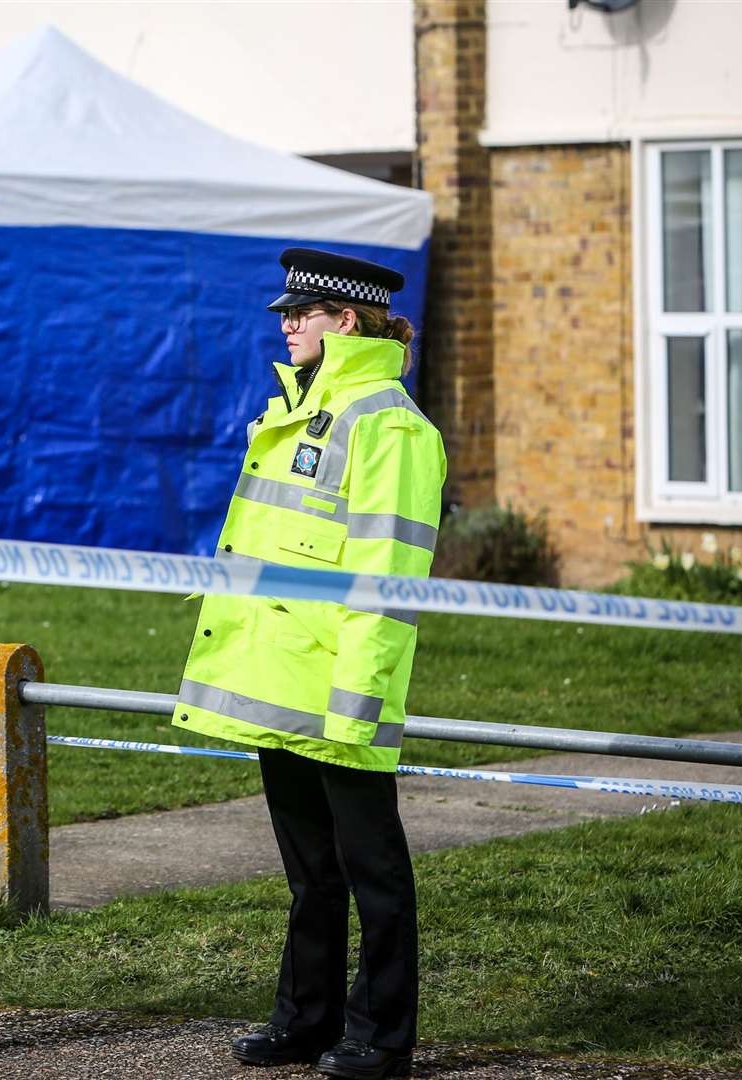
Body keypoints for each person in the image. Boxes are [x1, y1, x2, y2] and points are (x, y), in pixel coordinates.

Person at [174, 248, 446, 1080]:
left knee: (375, 876)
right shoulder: (298, 414)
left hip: (340, 692)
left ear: (351, 321)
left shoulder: (390, 426)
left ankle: (382, 1039)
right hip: (280, 687)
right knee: (311, 877)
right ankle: (304, 1022)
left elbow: (388, 579)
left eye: (306, 312)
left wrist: (357, 698)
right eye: (286, 312)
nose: (287, 324)